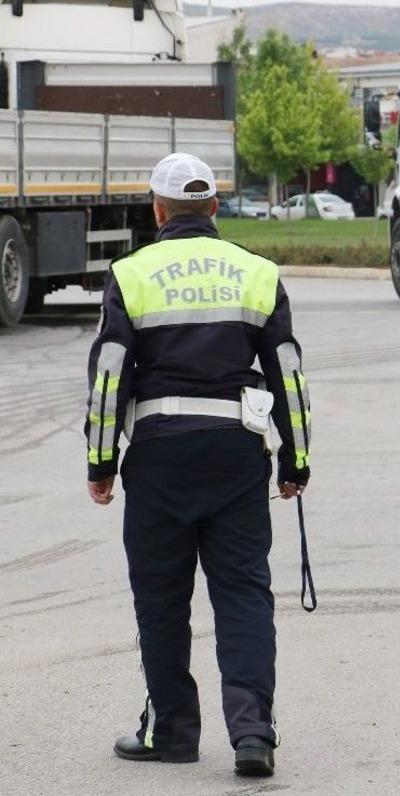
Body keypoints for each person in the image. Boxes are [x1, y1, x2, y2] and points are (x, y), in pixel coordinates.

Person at [84, 153, 312, 778]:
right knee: (242, 593)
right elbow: (287, 372)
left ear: (157, 211)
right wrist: (297, 459)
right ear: (214, 208)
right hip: (236, 452)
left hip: (159, 455)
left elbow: (110, 378)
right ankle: (253, 734)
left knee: (161, 598)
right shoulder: (257, 273)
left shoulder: (131, 274)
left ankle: (173, 732)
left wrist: (101, 461)